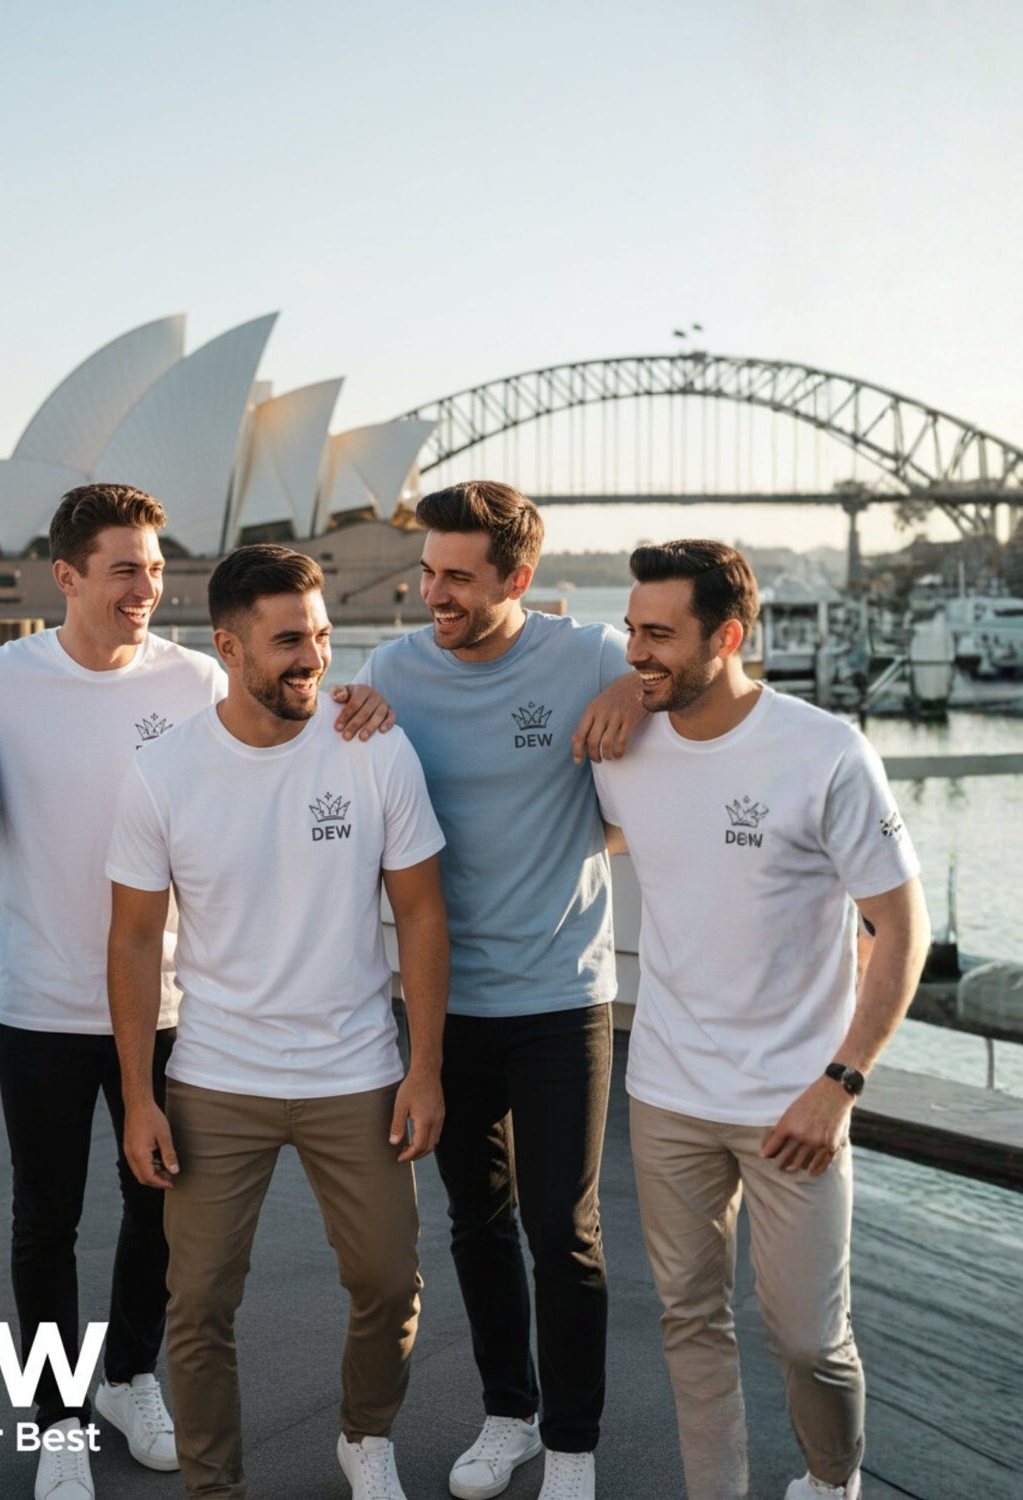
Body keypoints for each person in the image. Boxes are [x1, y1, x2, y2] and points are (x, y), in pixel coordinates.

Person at [0, 484, 393, 1500]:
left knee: (160, 1205)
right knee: (45, 1220)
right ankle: (58, 1420)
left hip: (169, 1003)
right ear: (66, 577)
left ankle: (127, 1378)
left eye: (155, 568)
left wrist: (362, 701)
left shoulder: (198, 676)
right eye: (123, 570)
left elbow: (286, 733)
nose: (146, 587)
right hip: (39, 1001)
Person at [107, 544, 449, 1500]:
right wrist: (139, 1096)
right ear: (227, 646)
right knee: (200, 1302)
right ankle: (215, 1486)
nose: (315, 658)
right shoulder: (164, 772)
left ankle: (364, 1434)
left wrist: (425, 1069)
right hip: (218, 1074)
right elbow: (134, 941)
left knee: (388, 1283)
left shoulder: (373, 744)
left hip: (359, 1071)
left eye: (325, 637)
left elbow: (421, 912)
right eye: (290, 640)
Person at [592, 540, 930, 1500]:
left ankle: (833, 1482)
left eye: (659, 634)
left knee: (808, 1338)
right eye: (630, 631)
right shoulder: (625, 748)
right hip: (665, 1094)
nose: (636, 651)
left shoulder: (823, 750)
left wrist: (844, 1080)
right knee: (690, 1319)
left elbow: (902, 927)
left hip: (797, 1101)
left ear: (728, 636)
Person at [354, 480, 639, 1500]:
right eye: (428, 573)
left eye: (459, 578)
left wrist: (633, 689)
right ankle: (508, 1416)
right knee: (476, 1224)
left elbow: (699, 674)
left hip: (562, 998)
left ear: (517, 579)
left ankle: (572, 1445)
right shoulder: (392, 669)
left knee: (564, 1230)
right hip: (445, 1004)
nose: (435, 593)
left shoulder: (592, 657)